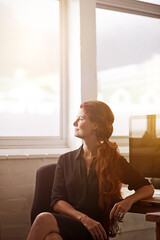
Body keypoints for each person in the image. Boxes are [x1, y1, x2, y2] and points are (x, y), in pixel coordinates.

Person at [27, 100, 154, 240]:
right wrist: (84, 219)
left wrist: (128, 201)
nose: (74, 123)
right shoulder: (65, 160)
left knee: (43, 219)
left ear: (95, 125)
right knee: (52, 238)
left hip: (96, 230)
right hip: (75, 222)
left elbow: (147, 187)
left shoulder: (114, 161)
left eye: (80, 119)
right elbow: (57, 202)